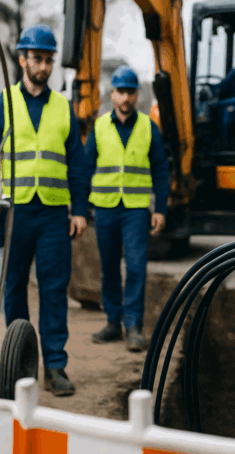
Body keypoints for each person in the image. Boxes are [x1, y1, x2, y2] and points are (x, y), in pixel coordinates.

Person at [0, 24, 89, 397]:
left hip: (52, 214)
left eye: (49, 60)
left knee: (53, 289)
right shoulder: (2, 104)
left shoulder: (63, 108)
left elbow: (77, 165)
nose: (44, 66)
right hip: (13, 212)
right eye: (37, 59)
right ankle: (20, 364)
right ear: (22, 60)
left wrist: (78, 210)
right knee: (14, 287)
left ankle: (56, 367)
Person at [85, 66, 171, 352]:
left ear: (137, 95)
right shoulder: (99, 127)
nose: (125, 98)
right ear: (112, 95)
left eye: (130, 92)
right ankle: (113, 322)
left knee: (136, 267)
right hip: (105, 209)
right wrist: (79, 208)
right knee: (109, 267)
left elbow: (160, 170)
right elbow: (85, 169)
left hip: (135, 210)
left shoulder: (149, 127)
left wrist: (160, 209)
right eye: (120, 92)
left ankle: (133, 325)